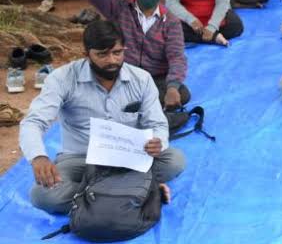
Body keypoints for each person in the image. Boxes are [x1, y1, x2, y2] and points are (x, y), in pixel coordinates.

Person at [19, 21, 186, 214]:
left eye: (117, 52)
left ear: (125, 49)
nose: (112, 60)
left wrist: (158, 141)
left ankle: (96, 197)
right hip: (81, 159)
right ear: (86, 54)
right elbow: (33, 122)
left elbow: (157, 123)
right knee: (41, 195)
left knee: (175, 160)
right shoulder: (62, 79)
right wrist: (38, 157)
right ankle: (140, 191)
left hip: (129, 159)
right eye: (102, 54)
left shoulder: (141, 79)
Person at [75, 0, 191, 109]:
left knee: (182, 94)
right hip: (120, 75)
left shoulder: (171, 22)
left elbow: (176, 57)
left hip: (154, 78)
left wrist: (173, 87)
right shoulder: (119, 8)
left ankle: (129, 107)